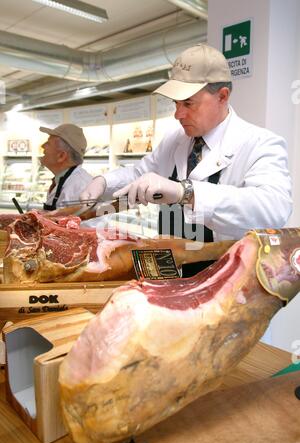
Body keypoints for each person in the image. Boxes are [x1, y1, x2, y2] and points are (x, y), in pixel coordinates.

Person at [80, 43, 292, 277]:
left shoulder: (260, 143)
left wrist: (186, 192)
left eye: (188, 103)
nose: (178, 114)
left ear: (222, 96)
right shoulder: (175, 139)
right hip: (164, 270)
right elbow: (139, 175)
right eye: (176, 104)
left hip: (222, 280)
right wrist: (104, 182)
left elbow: (274, 208)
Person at [40, 123, 92, 211]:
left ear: (61, 156)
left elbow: (86, 223)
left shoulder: (80, 188)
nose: (43, 146)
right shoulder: (64, 180)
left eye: (48, 143)